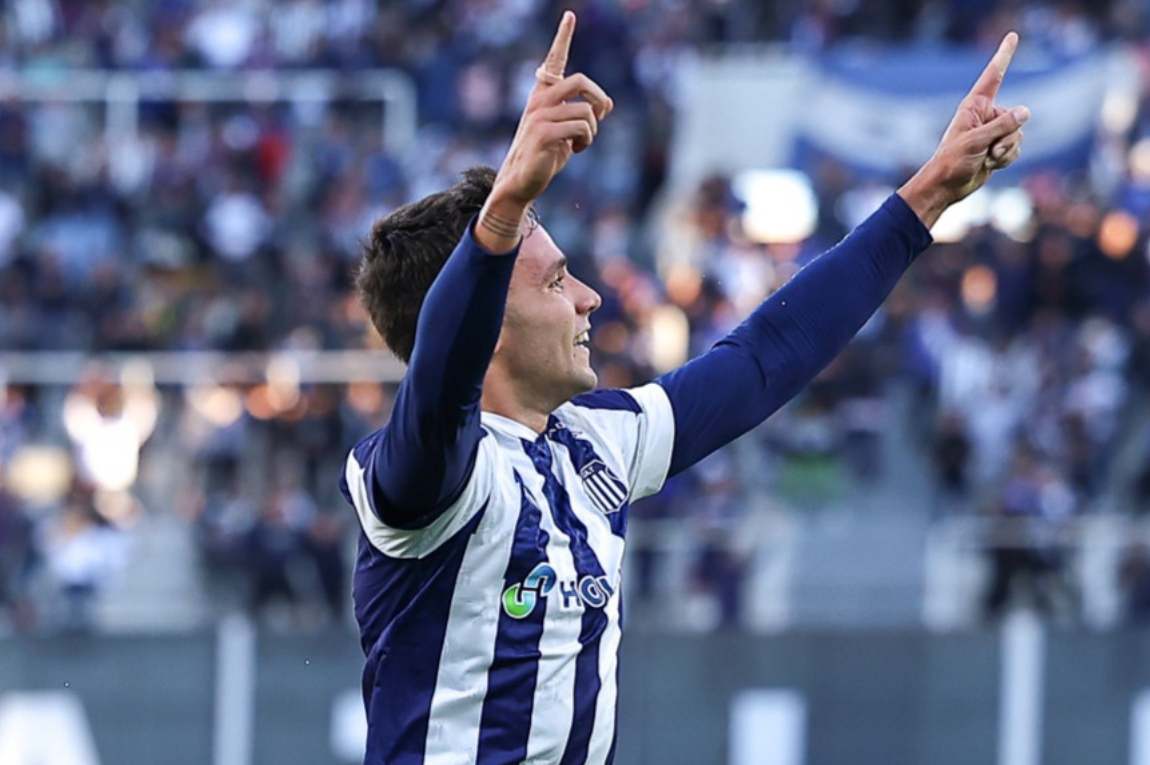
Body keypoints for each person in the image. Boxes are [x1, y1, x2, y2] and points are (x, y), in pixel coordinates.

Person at [339, 11, 1028, 764]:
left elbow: (766, 356)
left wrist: (927, 195)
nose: (590, 299)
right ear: (487, 321)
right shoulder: (422, 476)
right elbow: (442, 384)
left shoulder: (596, 444)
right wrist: (501, 214)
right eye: (558, 281)